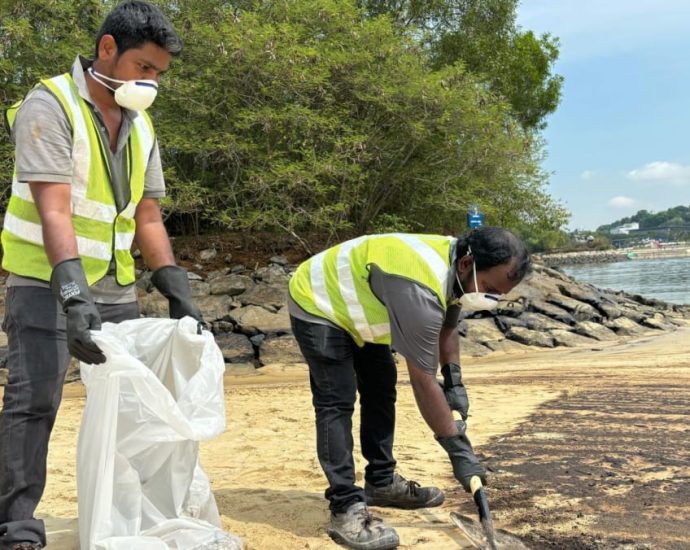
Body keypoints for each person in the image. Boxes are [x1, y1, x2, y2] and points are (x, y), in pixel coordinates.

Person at [0, 3, 202, 548]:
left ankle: (122, 518)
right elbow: (54, 210)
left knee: (128, 408)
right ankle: (16, 527)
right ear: (107, 48)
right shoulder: (50, 104)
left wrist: (174, 285)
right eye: (144, 68)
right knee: (34, 401)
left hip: (114, 289)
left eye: (159, 73)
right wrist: (72, 297)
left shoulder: (140, 124)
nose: (151, 82)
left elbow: (148, 215)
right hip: (45, 284)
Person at [288, 227, 529, 550]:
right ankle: (345, 506)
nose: (490, 298)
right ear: (466, 264)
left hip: (361, 304)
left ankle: (382, 483)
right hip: (319, 302)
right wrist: (457, 449)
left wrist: (454, 379)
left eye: (498, 294)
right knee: (336, 401)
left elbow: (448, 325)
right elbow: (423, 378)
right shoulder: (419, 288)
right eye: (488, 287)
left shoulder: (457, 265)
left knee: (382, 388)